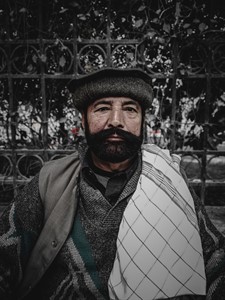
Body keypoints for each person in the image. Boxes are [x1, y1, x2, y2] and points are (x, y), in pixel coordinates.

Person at [0, 68, 225, 300]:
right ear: (83, 119)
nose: (116, 121)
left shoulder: (167, 179)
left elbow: (215, 258)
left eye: (129, 109)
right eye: (102, 108)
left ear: (142, 121)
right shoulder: (51, 179)